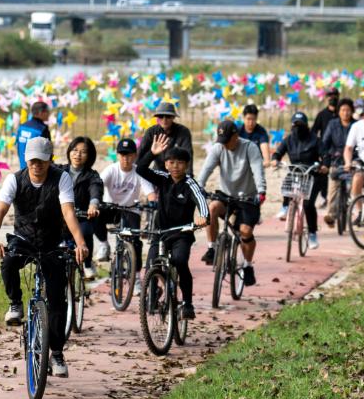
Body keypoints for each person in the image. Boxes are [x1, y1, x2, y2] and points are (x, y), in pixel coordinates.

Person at [0, 137, 89, 378]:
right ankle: (15, 304)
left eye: (42, 161)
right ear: (26, 160)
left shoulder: (61, 178)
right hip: (23, 238)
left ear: (50, 160)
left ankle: (56, 353)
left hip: (52, 242)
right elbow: (1, 209)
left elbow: (67, 211)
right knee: (9, 261)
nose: (37, 166)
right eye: (32, 161)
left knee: (57, 301)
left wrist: (80, 242)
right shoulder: (14, 179)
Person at [136, 134, 209, 320]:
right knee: (151, 264)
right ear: (166, 164)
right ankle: (153, 293)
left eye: (180, 163)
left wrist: (204, 216)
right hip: (160, 233)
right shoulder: (163, 178)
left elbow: (201, 201)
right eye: (171, 162)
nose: (175, 166)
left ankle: (187, 303)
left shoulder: (190, 183)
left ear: (186, 165)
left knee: (180, 261)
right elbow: (141, 169)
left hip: (182, 234)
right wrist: (152, 153)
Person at [196, 120, 266, 286]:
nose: (225, 144)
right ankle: (212, 248)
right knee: (211, 208)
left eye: (228, 140)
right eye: (222, 140)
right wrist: (199, 186)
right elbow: (206, 169)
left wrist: (261, 191)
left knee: (245, 232)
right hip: (226, 195)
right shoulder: (218, 148)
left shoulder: (250, 147)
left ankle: (248, 266)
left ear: (236, 136)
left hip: (248, 197)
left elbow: (258, 169)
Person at [93, 138, 155, 290]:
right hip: (111, 208)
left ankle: (137, 277)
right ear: (117, 155)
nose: (125, 158)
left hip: (131, 210)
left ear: (135, 156)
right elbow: (97, 185)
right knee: (94, 215)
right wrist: (95, 201)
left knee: (136, 243)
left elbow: (150, 193)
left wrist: (152, 203)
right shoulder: (111, 170)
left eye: (129, 155)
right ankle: (103, 244)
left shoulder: (138, 171)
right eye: (122, 155)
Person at [270, 112, 327, 250]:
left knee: (308, 204)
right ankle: (285, 207)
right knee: (288, 181)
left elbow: (325, 155)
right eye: (295, 124)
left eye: (300, 125)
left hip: (313, 175)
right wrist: (275, 159)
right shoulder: (289, 140)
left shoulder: (315, 140)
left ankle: (312, 233)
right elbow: (278, 152)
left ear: (306, 126)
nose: (297, 127)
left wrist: (324, 165)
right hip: (296, 174)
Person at [54, 136, 104, 280]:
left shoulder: (92, 175)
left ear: (89, 156)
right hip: (60, 217)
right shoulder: (59, 170)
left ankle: (88, 264)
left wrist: (93, 205)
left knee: (86, 230)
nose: (78, 154)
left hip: (81, 216)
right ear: (69, 151)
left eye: (83, 152)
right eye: (75, 150)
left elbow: (96, 190)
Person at [320, 98, 357, 227]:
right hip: (335, 159)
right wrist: (324, 156)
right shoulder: (332, 124)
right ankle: (331, 215)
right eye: (342, 110)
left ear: (352, 111)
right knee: (333, 188)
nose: (345, 113)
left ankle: (354, 210)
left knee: (353, 186)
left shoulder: (357, 125)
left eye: (348, 110)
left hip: (354, 160)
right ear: (338, 111)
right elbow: (325, 142)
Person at [136, 102, 194, 173]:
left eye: (168, 116)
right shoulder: (151, 132)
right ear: (157, 118)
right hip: (158, 172)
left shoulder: (183, 132)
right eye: (161, 116)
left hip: (177, 172)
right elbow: (140, 154)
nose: (164, 119)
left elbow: (188, 156)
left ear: (173, 117)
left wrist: (189, 176)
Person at [16, 101, 52, 170]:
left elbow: (18, 147)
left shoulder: (21, 127)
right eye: (47, 111)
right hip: (37, 170)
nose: (49, 114)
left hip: (23, 167)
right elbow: (48, 152)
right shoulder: (42, 129)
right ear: (41, 113)